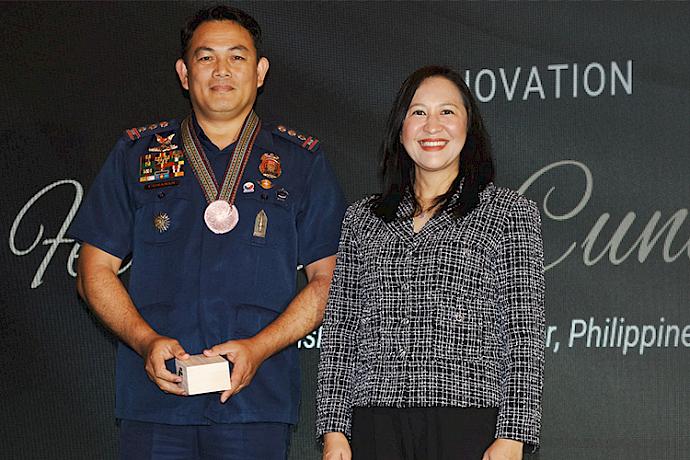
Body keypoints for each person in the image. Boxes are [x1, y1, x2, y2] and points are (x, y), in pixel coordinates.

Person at [70, 5, 345, 459]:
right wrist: (145, 340)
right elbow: (93, 269)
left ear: (260, 72)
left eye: (237, 57)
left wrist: (259, 348)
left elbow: (330, 279)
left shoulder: (301, 162)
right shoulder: (137, 154)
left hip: (255, 401)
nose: (222, 70)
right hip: (158, 398)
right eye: (205, 57)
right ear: (183, 72)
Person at [316, 65, 545, 460]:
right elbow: (341, 331)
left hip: (469, 419)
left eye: (447, 112)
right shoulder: (362, 218)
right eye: (418, 112)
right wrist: (334, 429)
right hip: (374, 422)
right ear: (401, 129)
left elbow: (524, 333)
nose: (431, 126)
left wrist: (514, 434)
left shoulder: (509, 213)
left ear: (469, 126)